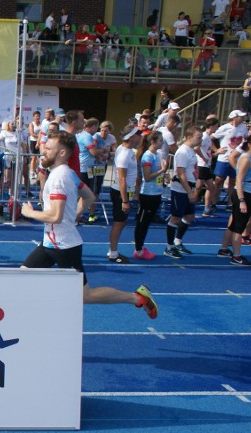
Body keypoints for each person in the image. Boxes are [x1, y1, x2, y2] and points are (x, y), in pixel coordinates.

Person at [20, 130, 158, 318]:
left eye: (49, 148)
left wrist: (29, 213)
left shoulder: (59, 177)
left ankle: (137, 298)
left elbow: (55, 216)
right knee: (22, 275)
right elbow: (89, 196)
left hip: (64, 246)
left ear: (61, 153)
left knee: (86, 295)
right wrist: (74, 214)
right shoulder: (68, 173)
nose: (43, 150)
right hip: (50, 243)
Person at [217, 134, 251, 266]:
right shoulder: (246, 159)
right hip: (243, 194)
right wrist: (242, 200)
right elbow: (239, 179)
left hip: (246, 192)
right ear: (250, 144)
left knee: (234, 224)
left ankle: (224, 249)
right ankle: (237, 256)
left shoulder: (249, 158)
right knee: (239, 226)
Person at [164, 127, 203, 259]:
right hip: (180, 190)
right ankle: (169, 247)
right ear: (189, 137)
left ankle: (177, 241)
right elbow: (181, 174)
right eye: (198, 137)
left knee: (190, 216)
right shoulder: (182, 152)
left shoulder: (192, 151)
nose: (201, 139)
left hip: (188, 188)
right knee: (175, 217)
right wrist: (189, 192)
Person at [106, 125, 141, 263]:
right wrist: (125, 201)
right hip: (121, 192)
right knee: (118, 223)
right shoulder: (125, 154)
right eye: (138, 134)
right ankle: (113, 253)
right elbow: (122, 178)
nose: (141, 137)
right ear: (132, 137)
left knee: (122, 222)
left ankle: (113, 251)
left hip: (126, 191)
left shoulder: (127, 150)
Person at [134, 131, 168, 260]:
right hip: (147, 194)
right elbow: (147, 177)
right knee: (142, 222)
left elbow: (157, 174)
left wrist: (164, 176)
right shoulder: (147, 156)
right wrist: (161, 171)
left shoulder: (158, 154)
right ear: (153, 142)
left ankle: (141, 247)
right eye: (160, 141)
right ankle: (138, 249)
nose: (162, 143)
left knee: (148, 222)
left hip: (157, 192)